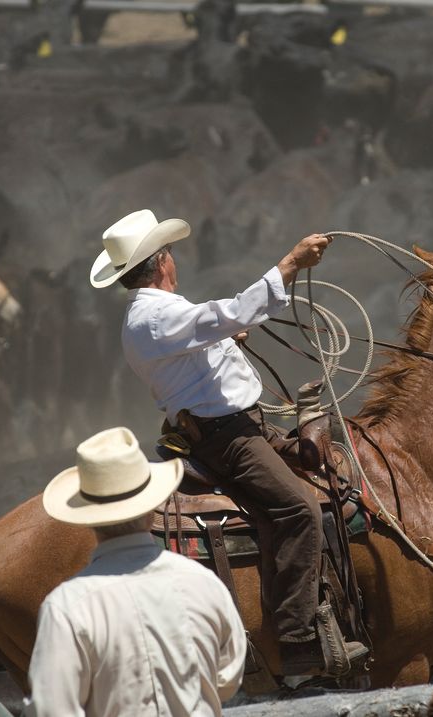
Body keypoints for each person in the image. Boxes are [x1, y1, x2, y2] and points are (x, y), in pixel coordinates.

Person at [89, 209, 366, 677]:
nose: (174, 262)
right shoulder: (156, 315)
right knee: (297, 509)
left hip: (237, 428)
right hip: (228, 437)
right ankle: (298, 640)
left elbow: (207, 330)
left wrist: (224, 334)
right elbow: (229, 311)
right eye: (170, 254)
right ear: (161, 263)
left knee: (322, 463)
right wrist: (291, 263)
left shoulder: (151, 316)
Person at [27, 426, 246, 717]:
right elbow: (228, 680)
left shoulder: (68, 606)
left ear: (88, 519)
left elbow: (52, 709)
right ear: (152, 511)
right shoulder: (204, 583)